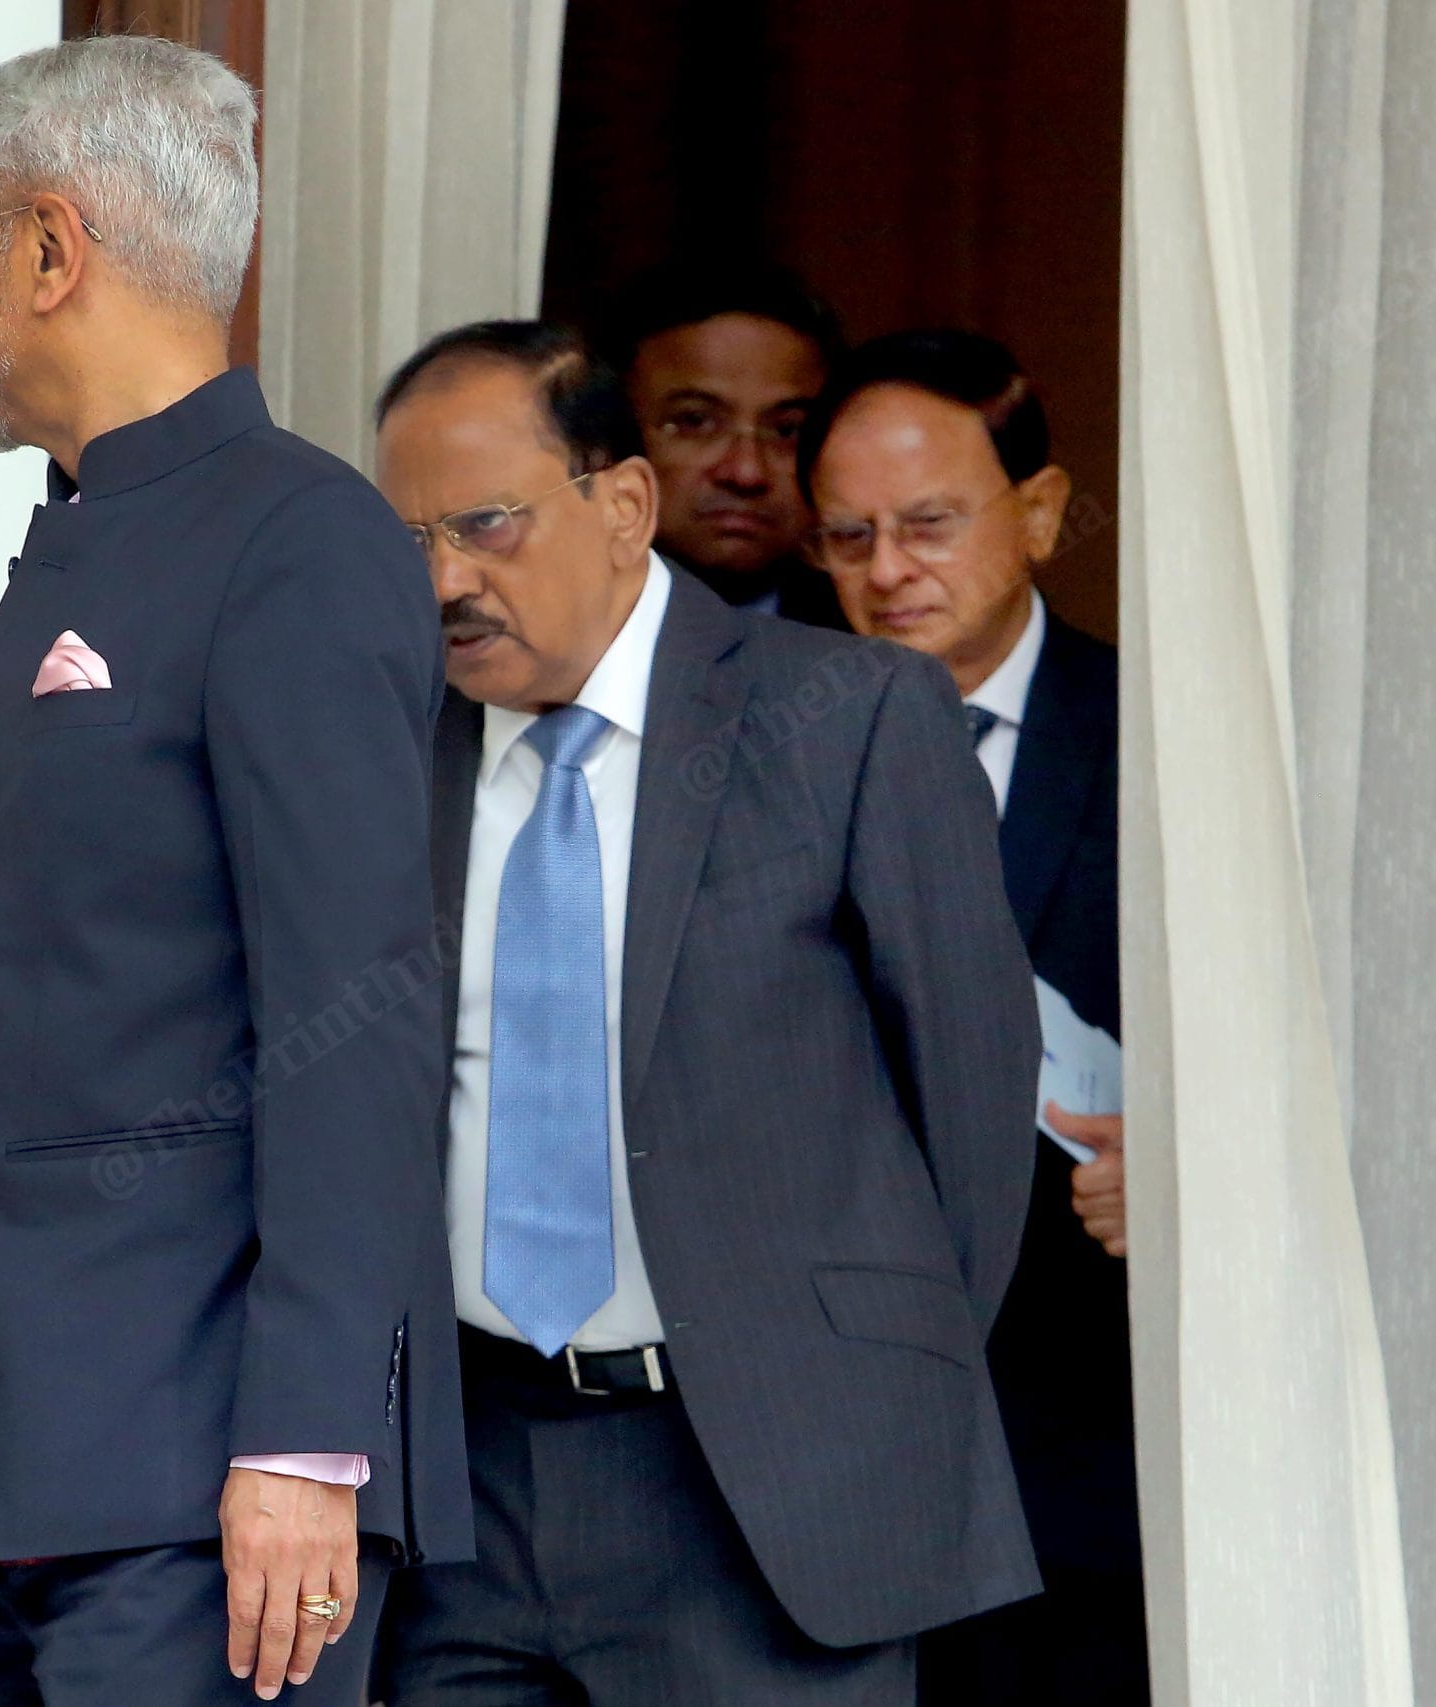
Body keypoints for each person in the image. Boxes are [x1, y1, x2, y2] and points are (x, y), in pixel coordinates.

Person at [0, 38, 469, 1705]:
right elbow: (48, 1086)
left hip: (195, 1500)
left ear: (49, 250)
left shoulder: (299, 539)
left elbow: (361, 1018)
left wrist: (309, 1440)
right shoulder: (83, 540)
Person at [367, 320, 1042, 1706]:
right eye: (412, 537)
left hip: (765, 1489)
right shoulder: (387, 749)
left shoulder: (847, 717)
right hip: (466, 1483)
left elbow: (971, 1117)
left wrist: (848, 1387)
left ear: (624, 504)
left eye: (485, 525)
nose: (444, 579)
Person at [800, 329, 1146, 1704]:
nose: (887, 571)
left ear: (1045, 513)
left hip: (1092, 1449)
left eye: (930, 524)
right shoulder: (746, 763)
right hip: (825, 1453)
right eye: (847, 535)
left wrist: (1205, 1169)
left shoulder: (1169, 744)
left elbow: (1338, 1047)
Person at [602, 262, 848, 625]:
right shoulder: (538, 638)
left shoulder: (873, 647)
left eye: (787, 431)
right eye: (695, 422)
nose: (746, 472)